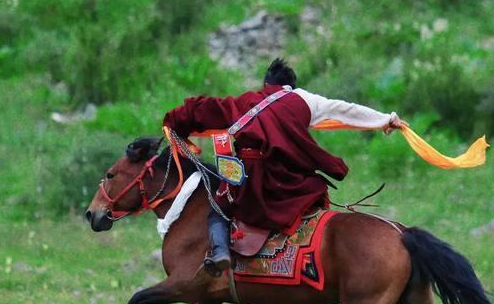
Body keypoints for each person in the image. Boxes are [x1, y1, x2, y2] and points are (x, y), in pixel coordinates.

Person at [163, 58, 402, 276]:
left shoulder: (248, 101)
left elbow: (205, 108)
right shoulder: (306, 100)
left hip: (251, 186)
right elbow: (344, 109)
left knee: (219, 204)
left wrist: (173, 121)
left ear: (266, 84)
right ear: (292, 86)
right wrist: (385, 119)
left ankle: (221, 253)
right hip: (290, 185)